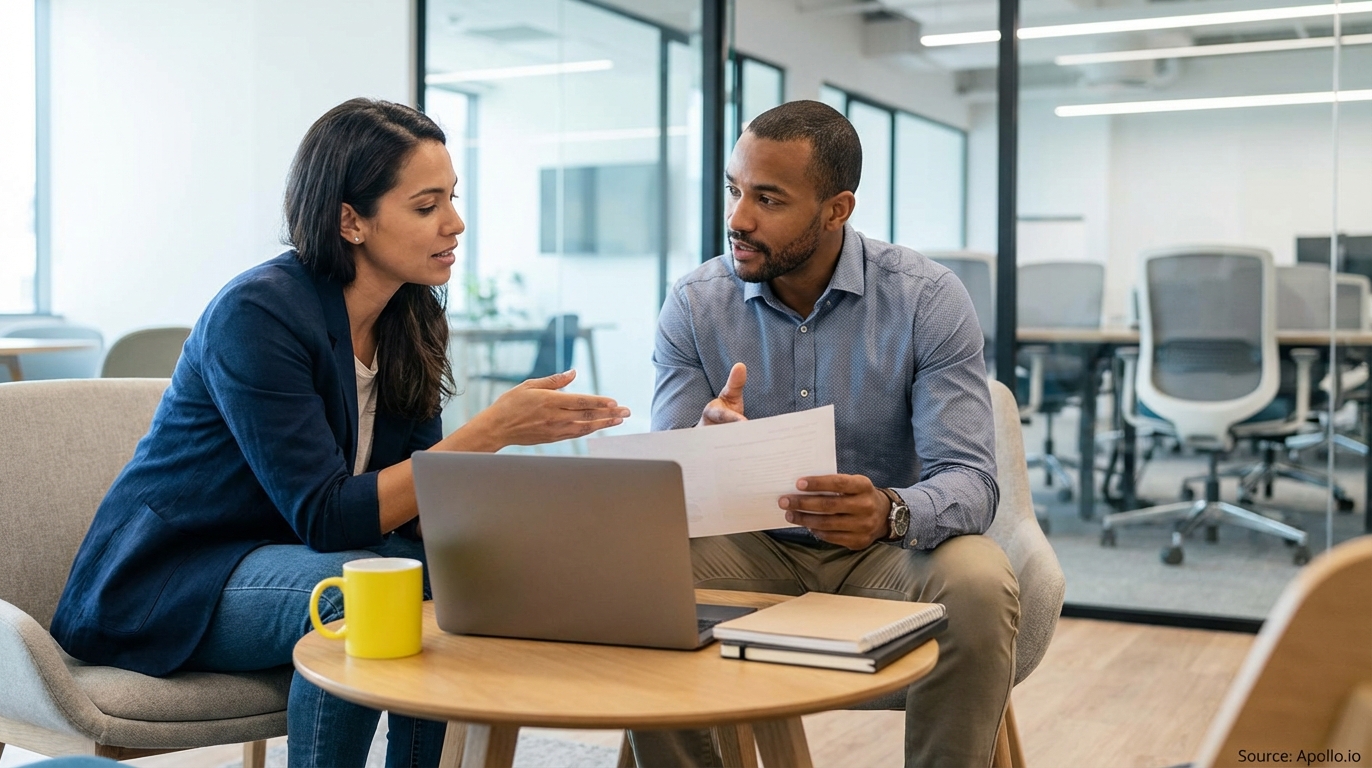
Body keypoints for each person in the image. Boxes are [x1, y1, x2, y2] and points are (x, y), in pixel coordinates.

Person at [50, 98, 630, 768]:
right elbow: (327, 516)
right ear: (349, 220)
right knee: (366, 597)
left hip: (291, 556)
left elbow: (414, 507)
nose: (455, 222)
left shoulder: (411, 317)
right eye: (425, 205)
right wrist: (490, 432)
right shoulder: (258, 313)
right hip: (177, 576)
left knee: (454, 582)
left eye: (453, 198)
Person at [632, 100, 1019, 767]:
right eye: (734, 190)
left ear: (837, 209)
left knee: (979, 583)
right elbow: (665, 494)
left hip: (886, 554)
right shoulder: (695, 304)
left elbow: (971, 481)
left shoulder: (926, 299)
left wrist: (891, 511)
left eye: (769, 199)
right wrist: (702, 445)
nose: (738, 219)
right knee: (639, 570)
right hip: (751, 552)